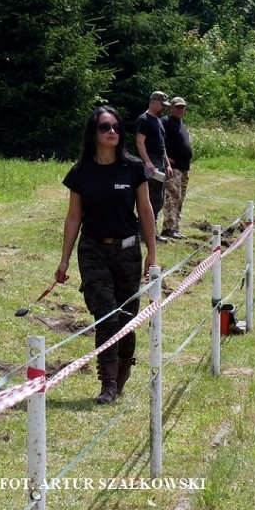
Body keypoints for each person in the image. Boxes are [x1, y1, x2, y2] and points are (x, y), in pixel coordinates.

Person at [57, 105, 157, 404]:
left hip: (127, 251)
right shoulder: (80, 173)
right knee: (106, 316)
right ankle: (108, 383)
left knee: (126, 319)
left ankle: (123, 368)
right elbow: (74, 217)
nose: (112, 131)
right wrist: (63, 260)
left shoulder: (133, 168)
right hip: (93, 251)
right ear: (94, 133)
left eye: (115, 126)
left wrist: (152, 252)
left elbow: (146, 210)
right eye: (104, 127)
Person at [135, 91, 172, 244]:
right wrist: (148, 162)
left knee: (159, 199)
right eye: (162, 104)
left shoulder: (158, 121)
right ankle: (143, 232)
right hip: (150, 163)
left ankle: (149, 232)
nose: (164, 107)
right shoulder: (144, 119)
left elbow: (162, 146)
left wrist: (168, 164)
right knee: (150, 199)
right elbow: (140, 142)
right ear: (153, 102)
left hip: (160, 163)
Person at [160, 96, 193, 240]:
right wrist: (166, 159)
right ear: (171, 107)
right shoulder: (165, 122)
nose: (180, 109)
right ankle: (168, 228)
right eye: (178, 107)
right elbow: (158, 142)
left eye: (182, 107)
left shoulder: (180, 124)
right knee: (172, 197)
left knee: (180, 197)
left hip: (184, 168)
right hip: (172, 168)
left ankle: (175, 227)